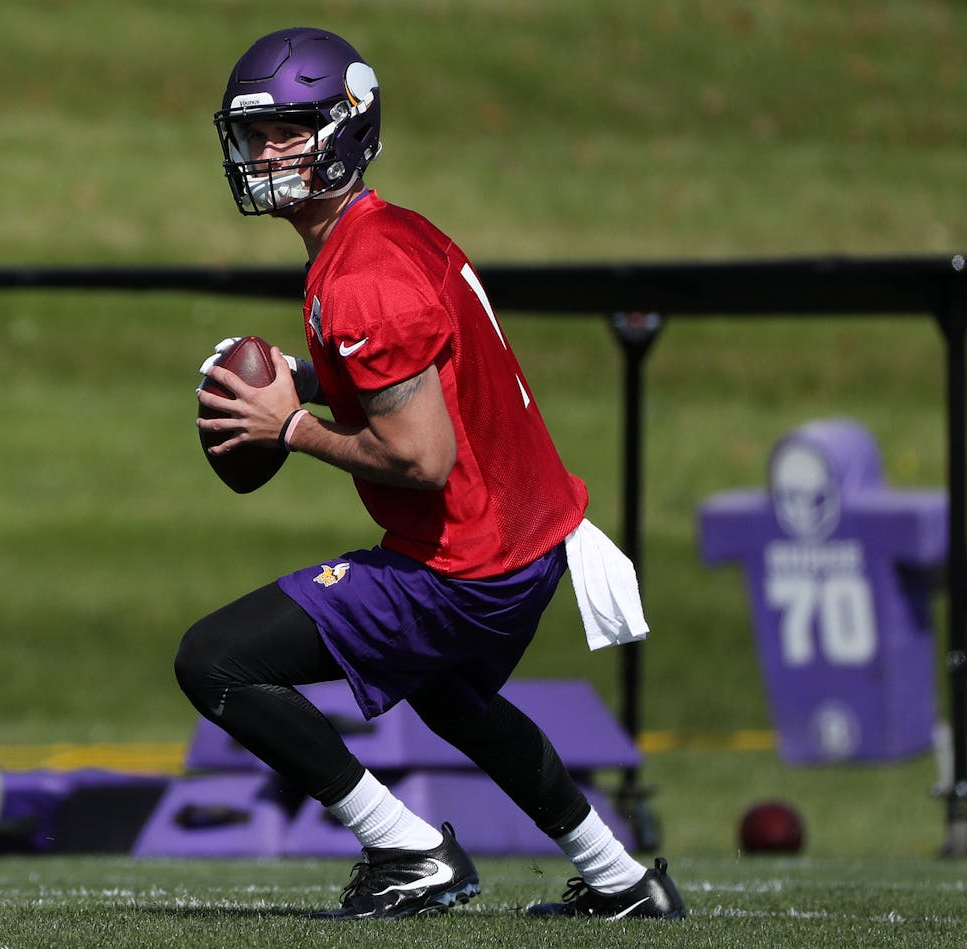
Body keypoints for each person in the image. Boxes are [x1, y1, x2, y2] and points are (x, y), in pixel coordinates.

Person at [175, 26, 687, 922]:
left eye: (289, 129)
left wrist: (289, 424)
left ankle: (408, 850)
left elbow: (420, 455)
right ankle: (619, 878)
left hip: (465, 562)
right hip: (529, 544)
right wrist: (305, 374)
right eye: (254, 134)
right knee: (452, 694)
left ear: (348, 125)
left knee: (215, 661)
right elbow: (411, 369)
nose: (265, 153)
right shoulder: (390, 232)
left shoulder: (363, 271)